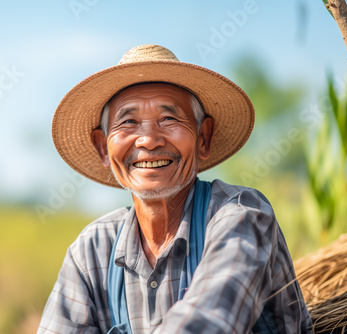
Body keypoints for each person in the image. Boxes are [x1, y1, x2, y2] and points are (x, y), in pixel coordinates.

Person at [38, 44, 312, 333]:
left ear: (203, 138)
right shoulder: (92, 250)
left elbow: (210, 323)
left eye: (168, 118)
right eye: (128, 122)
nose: (149, 140)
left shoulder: (241, 214)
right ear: (102, 148)